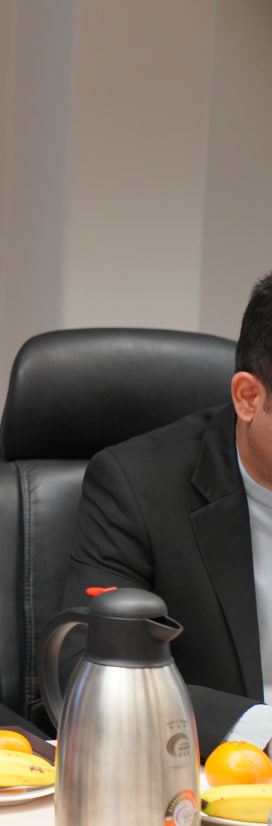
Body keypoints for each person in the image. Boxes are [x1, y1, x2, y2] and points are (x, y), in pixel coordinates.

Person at [65, 271, 272, 759]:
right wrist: (259, 732)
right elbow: (90, 665)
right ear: (249, 397)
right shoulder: (137, 485)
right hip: (200, 773)